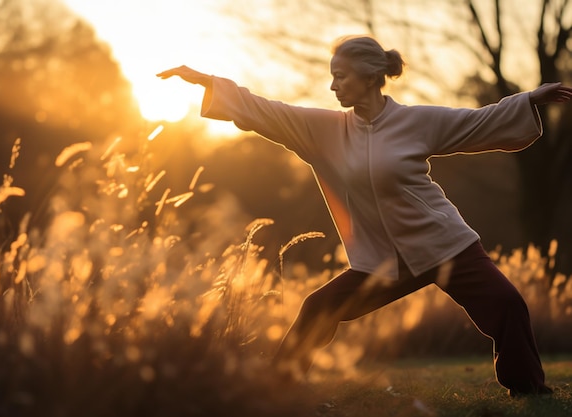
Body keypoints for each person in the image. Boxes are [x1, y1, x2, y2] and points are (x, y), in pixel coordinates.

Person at [157, 35, 572, 397]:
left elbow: (478, 122)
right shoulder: (324, 130)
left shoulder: (417, 121)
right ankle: (276, 387)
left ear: (371, 77)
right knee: (319, 307)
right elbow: (266, 109)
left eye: (342, 76)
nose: (333, 84)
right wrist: (208, 82)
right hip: (382, 261)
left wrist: (530, 99)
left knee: (508, 304)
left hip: (445, 245)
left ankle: (529, 390)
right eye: (332, 75)